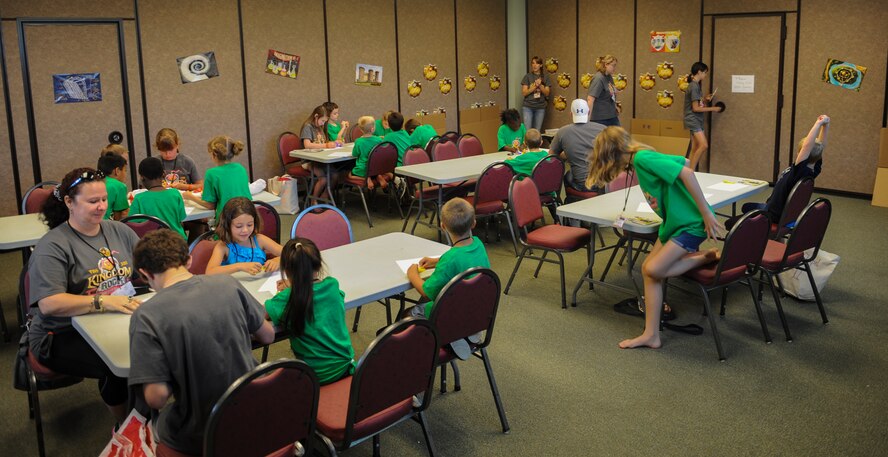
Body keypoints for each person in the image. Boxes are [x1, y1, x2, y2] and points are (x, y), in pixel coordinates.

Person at [129, 229, 274, 455]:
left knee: (159, 422)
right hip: (254, 407)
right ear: (189, 260)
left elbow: (157, 398)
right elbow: (268, 336)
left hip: (203, 431)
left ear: (144, 273)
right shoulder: (228, 284)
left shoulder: (146, 316)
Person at [585, 127, 724, 349]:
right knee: (648, 271)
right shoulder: (641, 159)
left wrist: (706, 212)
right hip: (674, 224)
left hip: (690, 224)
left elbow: (687, 173)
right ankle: (651, 335)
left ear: (613, 153)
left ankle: (704, 257)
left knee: (653, 269)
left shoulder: (642, 158)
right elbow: (685, 161)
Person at [27, 167, 142, 425]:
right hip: (59, 333)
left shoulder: (119, 231)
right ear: (69, 202)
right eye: (93, 201)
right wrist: (103, 301)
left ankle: (144, 417)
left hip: (112, 320)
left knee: (154, 351)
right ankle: (126, 428)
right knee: (118, 365)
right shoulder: (53, 245)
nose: (102, 206)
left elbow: (149, 267)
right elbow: (49, 304)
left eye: (104, 199)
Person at [264, 238, 356, 385]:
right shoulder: (332, 285)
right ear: (319, 265)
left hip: (314, 377)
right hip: (346, 367)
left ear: (286, 271)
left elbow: (261, 314)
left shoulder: (287, 297)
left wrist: (290, 289)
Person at [407, 198, 490, 317]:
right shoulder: (478, 244)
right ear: (474, 223)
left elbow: (426, 293)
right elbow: (463, 258)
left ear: (443, 226)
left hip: (450, 315)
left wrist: (412, 274)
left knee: (409, 313)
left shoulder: (449, 260)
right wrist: (437, 261)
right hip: (474, 310)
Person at [741, 115, 829, 222]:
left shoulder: (800, 171)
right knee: (747, 206)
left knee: (745, 207)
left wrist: (818, 123)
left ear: (800, 153)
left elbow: (807, 147)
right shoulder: (813, 171)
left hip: (773, 214)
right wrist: (826, 125)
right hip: (780, 211)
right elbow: (821, 146)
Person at [206, 197, 282, 275]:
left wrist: (277, 260)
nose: (245, 230)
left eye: (250, 225)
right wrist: (239, 266)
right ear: (227, 225)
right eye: (239, 226)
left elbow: (288, 253)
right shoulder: (223, 246)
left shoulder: (259, 239)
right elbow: (209, 272)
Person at [182, 135, 251, 221]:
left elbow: (210, 205)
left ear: (214, 155)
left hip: (227, 219)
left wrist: (190, 196)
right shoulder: (240, 168)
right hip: (248, 216)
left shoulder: (212, 173)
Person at [549, 99, 607, 194]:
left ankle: (569, 200)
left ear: (571, 114)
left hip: (583, 185)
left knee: (568, 175)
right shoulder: (603, 129)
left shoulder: (562, 132)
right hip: (605, 183)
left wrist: (569, 153)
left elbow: (551, 157)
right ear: (588, 112)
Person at [130, 157, 188, 239]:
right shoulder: (175, 194)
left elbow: (132, 225)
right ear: (164, 174)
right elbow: (181, 220)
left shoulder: (139, 199)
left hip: (151, 243)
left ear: (142, 178)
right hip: (177, 242)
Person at [683, 62, 722, 170]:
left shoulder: (695, 85)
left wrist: (704, 99)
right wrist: (713, 108)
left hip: (695, 119)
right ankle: (690, 171)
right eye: (705, 72)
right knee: (704, 145)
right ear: (699, 72)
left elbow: (697, 103)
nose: (705, 75)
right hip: (693, 119)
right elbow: (695, 108)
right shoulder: (694, 86)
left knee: (695, 147)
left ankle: (687, 170)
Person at [299, 105, 339, 201]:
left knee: (335, 175)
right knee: (323, 178)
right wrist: (326, 145)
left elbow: (322, 142)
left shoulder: (319, 127)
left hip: (320, 159)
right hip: (309, 161)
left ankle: (324, 196)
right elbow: (307, 145)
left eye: (325, 121)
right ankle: (314, 201)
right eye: (322, 120)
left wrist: (334, 143)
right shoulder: (308, 126)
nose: (323, 123)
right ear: (316, 116)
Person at [349, 115, 391, 189]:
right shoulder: (378, 139)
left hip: (363, 169)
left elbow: (355, 154)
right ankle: (378, 176)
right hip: (376, 169)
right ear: (373, 129)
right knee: (373, 170)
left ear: (361, 130)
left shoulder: (358, 141)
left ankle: (367, 178)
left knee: (349, 174)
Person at [586, 55, 621, 127]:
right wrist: (587, 120)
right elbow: (590, 99)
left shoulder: (609, 77)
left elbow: (611, 95)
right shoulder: (598, 78)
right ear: (606, 65)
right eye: (613, 65)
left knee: (618, 134)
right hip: (600, 119)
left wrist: (615, 106)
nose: (615, 68)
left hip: (611, 115)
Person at [97, 150, 129, 221]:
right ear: (117, 171)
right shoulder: (119, 186)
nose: (125, 174)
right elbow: (119, 217)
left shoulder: (93, 182)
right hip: (104, 224)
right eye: (125, 170)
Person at [521, 56, 550, 130]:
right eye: (533, 63)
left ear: (541, 65)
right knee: (527, 131)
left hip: (540, 107)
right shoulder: (527, 76)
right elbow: (524, 93)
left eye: (537, 63)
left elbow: (547, 93)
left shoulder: (545, 77)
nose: (535, 65)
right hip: (528, 107)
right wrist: (534, 86)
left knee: (537, 131)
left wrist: (540, 85)